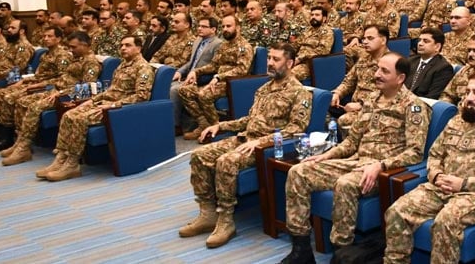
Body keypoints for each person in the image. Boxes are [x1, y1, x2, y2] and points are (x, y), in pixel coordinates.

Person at [279, 53, 431, 263]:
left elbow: (415, 152)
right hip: (356, 161)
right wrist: (324, 156)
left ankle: (341, 252)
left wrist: (380, 165)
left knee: (345, 184)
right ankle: (301, 248)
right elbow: (351, 142)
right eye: (377, 69)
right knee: (299, 172)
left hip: (382, 171)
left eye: (384, 71)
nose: (377, 74)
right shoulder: (371, 100)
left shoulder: (413, 107)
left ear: (401, 78)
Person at [382, 72, 475, 264]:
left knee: (445, 222)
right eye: (467, 92)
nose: (469, 98)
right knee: (396, 211)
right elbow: (434, 154)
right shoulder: (456, 122)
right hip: (438, 187)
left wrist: (464, 183)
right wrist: (436, 175)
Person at [179, 43, 311, 248]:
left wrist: (261, 141)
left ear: (290, 63)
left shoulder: (299, 92)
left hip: (266, 147)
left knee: (226, 161)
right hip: (245, 138)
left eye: (276, 59)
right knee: (199, 155)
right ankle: (208, 213)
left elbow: (296, 128)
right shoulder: (264, 88)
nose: (270, 63)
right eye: (269, 58)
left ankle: (226, 220)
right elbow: (249, 119)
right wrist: (220, 125)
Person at [39, 35, 154, 182]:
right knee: (69, 115)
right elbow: (111, 90)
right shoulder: (122, 65)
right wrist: (91, 101)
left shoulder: (143, 68)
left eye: (128, 45)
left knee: (80, 119)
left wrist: (113, 105)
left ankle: (72, 164)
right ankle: (61, 159)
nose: (123, 48)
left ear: (138, 48)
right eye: (122, 45)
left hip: (118, 109)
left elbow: (142, 96)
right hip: (104, 102)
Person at [1, 30, 101, 166]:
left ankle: (23, 147)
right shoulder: (76, 58)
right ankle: (21, 142)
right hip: (56, 89)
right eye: (70, 47)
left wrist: (61, 93)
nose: (71, 50)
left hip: (68, 95)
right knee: (22, 101)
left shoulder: (91, 62)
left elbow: (86, 87)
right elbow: (61, 78)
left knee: (35, 107)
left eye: (74, 47)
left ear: (85, 45)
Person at [0, 25, 71, 152]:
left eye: (50, 36)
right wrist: (23, 81)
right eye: (44, 36)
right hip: (35, 83)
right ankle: (1, 133)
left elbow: (61, 79)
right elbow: (38, 75)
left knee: (10, 98)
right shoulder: (46, 54)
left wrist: (38, 85)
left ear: (58, 39)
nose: (46, 39)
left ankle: (13, 139)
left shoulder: (62, 56)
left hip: (47, 87)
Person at [178, 15, 254, 139]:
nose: (225, 29)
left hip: (233, 84)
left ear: (238, 28)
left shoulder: (244, 46)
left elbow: (242, 70)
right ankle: (204, 124)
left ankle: (217, 128)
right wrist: (196, 72)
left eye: (229, 26)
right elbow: (214, 65)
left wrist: (219, 77)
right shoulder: (224, 45)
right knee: (184, 90)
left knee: (204, 94)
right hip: (217, 82)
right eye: (223, 26)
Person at [332, 24, 390, 128]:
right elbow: (348, 81)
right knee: (323, 104)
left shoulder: (390, 63)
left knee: (344, 121)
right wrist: (337, 93)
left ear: (383, 40)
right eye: (364, 38)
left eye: (370, 38)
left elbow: (389, 95)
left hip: (374, 109)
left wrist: (361, 105)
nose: (365, 41)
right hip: (352, 105)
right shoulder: (364, 59)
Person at [407, 27, 455, 100]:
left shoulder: (443, 68)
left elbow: (432, 97)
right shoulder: (411, 61)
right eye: (419, 40)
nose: (420, 44)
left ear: (437, 46)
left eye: (425, 41)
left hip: (420, 106)